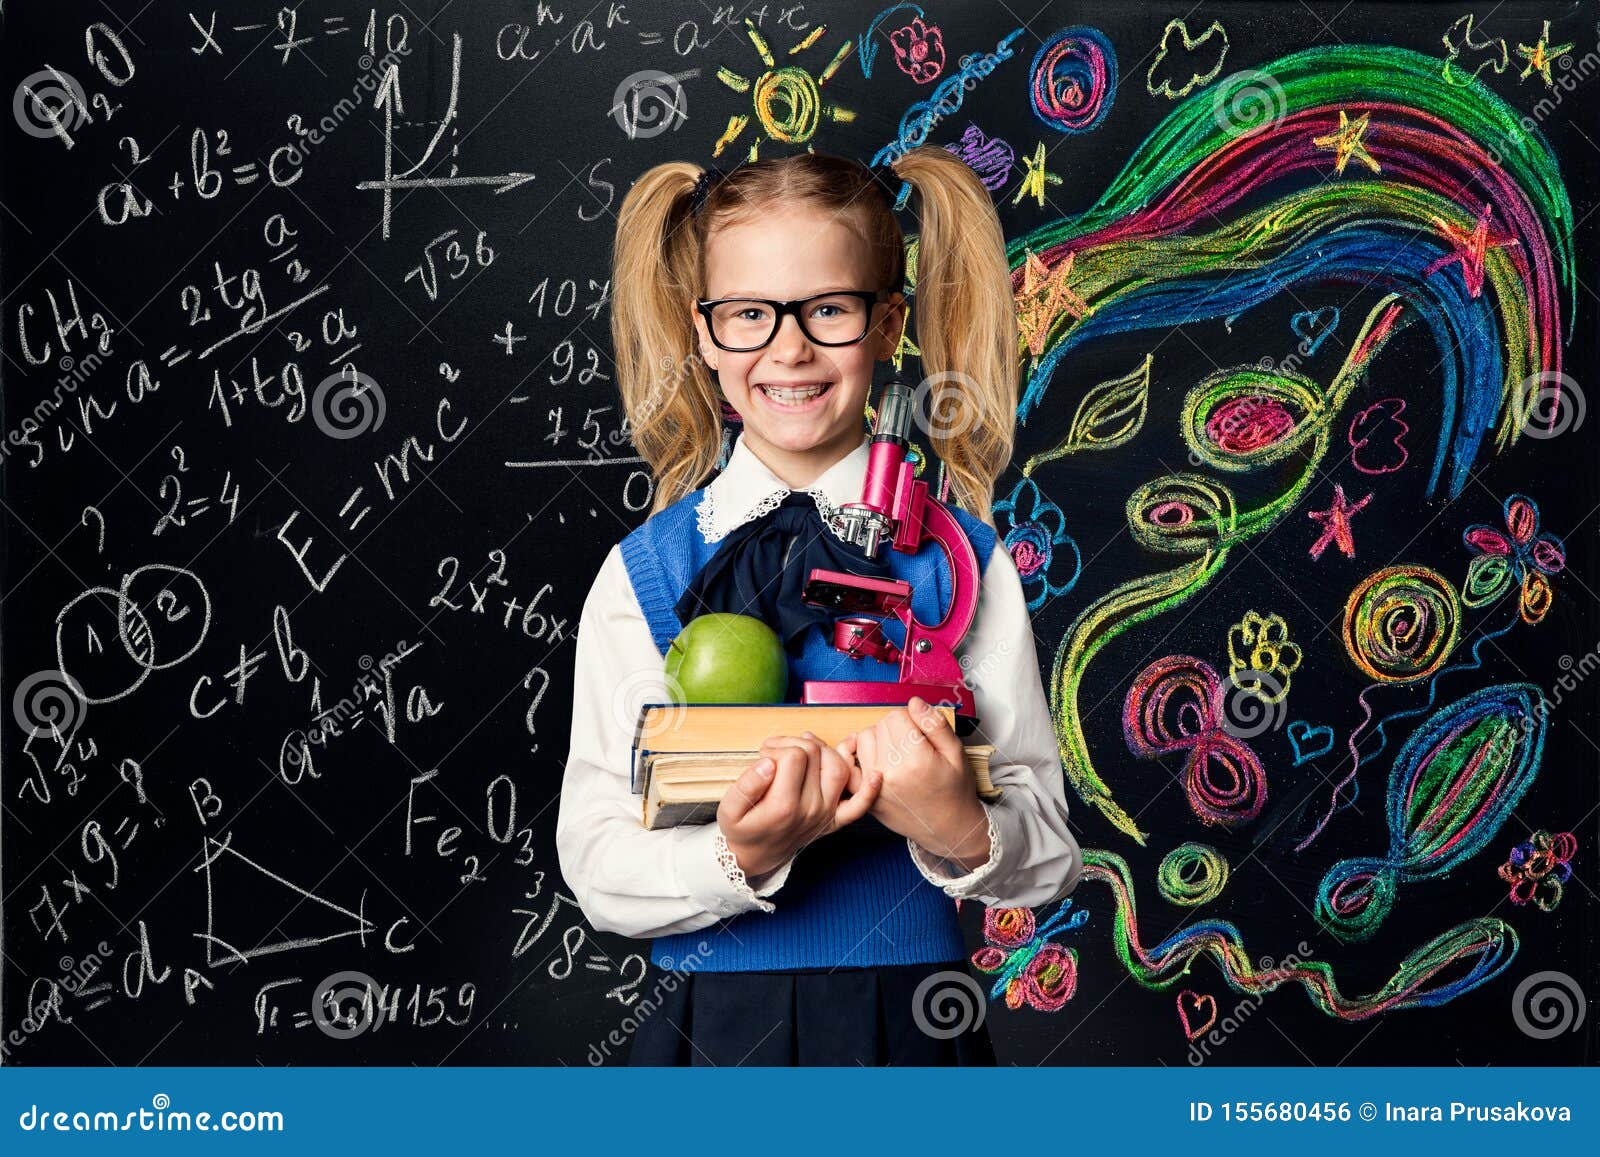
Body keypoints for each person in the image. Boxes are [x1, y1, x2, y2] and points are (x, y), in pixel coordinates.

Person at [556, 147, 1081, 1066]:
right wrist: (737, 856)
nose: (787, 348)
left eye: (828, 310)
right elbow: (597, 861)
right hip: (711, 1040)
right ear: (705, 332)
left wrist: (960, 825)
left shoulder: (964, 563)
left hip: (915, 1031)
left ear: (887, 325)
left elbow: (1050, 855)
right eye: (750, 315)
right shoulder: (642, 572)